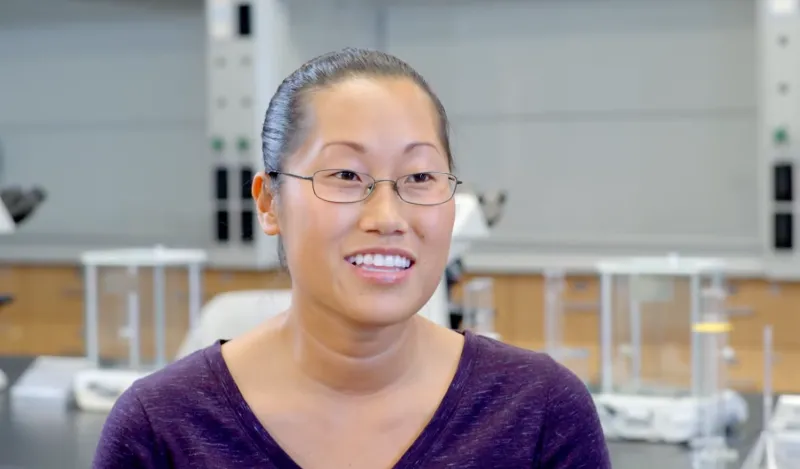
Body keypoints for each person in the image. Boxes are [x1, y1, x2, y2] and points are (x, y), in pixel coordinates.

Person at [93, 48, 611, 469]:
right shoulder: (161, 427)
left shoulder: (540, 413)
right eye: (346, 176)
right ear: (270, 202)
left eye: (420, 177)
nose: (387, 216)